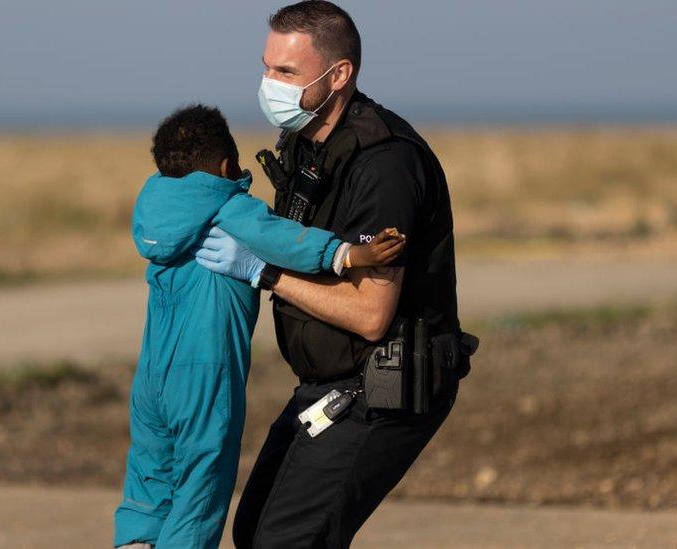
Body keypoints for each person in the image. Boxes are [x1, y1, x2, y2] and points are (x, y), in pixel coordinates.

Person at [195, 2, 476, 547]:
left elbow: (370, 315)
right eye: (267, 67)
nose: (268, 84)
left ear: (339, 75)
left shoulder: (384, 163)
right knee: (254, 530)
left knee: (286, 541)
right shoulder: (306, 144)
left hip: (383, 387)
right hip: (326, 386)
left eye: (286, 73)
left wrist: (262, 272)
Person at [114, 104, 405, 549]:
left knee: (149, 478)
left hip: (151, 376)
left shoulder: (154, 211)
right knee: (199, 487)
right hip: (204, 375)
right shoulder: (229, 208)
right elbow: (288, 241)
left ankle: (134, 543)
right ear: (227, 166)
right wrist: (349, 255)